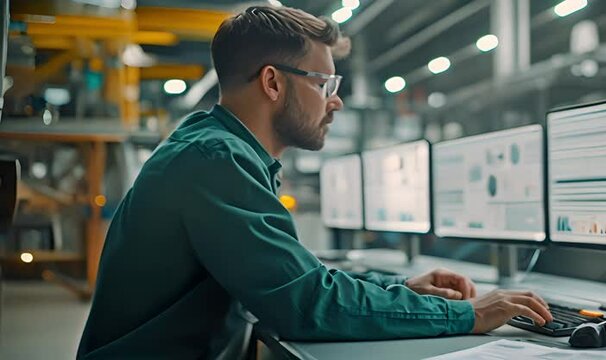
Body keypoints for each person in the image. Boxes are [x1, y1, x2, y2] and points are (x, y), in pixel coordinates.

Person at [77, 6, 552, 358]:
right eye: (326, 84)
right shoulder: (214, 160)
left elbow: (297, 278)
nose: (336, 102)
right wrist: (469, 314)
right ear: (272, 83)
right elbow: (305, 304)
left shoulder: (219, 151)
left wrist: (404, 289)